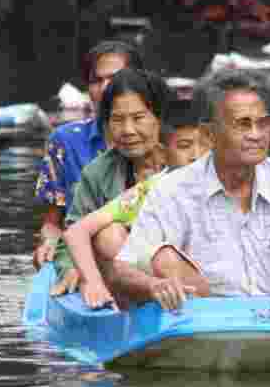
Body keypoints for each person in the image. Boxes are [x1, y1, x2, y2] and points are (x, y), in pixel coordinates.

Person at [106, 72, 270, 313]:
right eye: (243, 125)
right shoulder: (172, 191)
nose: (257, 135)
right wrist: (154, 286)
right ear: (210, 134)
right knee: (165, 260)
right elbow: (121, 270)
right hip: (204, 320)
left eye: (263, 124)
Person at [62, 96, 211, 309]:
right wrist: (93, 282)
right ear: (162, 154)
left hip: (224, 286)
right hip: (172, 285)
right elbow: (75, 232)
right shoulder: (150, 190)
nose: (197, 156)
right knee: (110, 237)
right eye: (185, 146)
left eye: (207, 146)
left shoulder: (234, 184)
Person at [32, 40, 144, 290]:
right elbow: (54, 221)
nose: (105, 88)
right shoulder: (65, 141)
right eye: (96, 81)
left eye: (114, 79)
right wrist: (50, 243)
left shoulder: (158, 141)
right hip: (81, 248)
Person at [45, 68, 171, 287]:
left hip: (179, 270)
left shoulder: (187, 165)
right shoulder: (97, 173)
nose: (127, 130)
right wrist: (73, 269)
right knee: (109, 234)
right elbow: (70, 236)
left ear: (160, 118)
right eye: (117, 120)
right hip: (123, 282)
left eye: (138, 118)